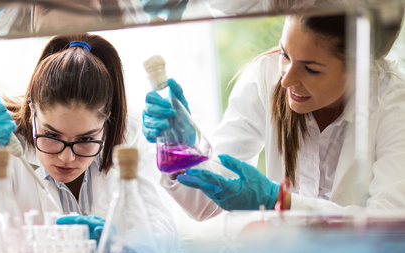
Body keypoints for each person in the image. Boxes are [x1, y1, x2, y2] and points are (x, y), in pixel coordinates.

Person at [142, 10, 405, 221]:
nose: (286, 79)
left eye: (311, 69)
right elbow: (204, 204)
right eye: (284, 54)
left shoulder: (394, 102)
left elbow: (389, 223)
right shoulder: (264, 79)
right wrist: (182, 152)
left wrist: (279, 201)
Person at [0, 33, 177, 253]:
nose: (66, 158)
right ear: (32, 112)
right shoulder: (4, 143)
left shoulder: (129, 136)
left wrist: (117, 247)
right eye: (51, 135)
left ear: (107, 121)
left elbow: (161, 229)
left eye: (86, 140)